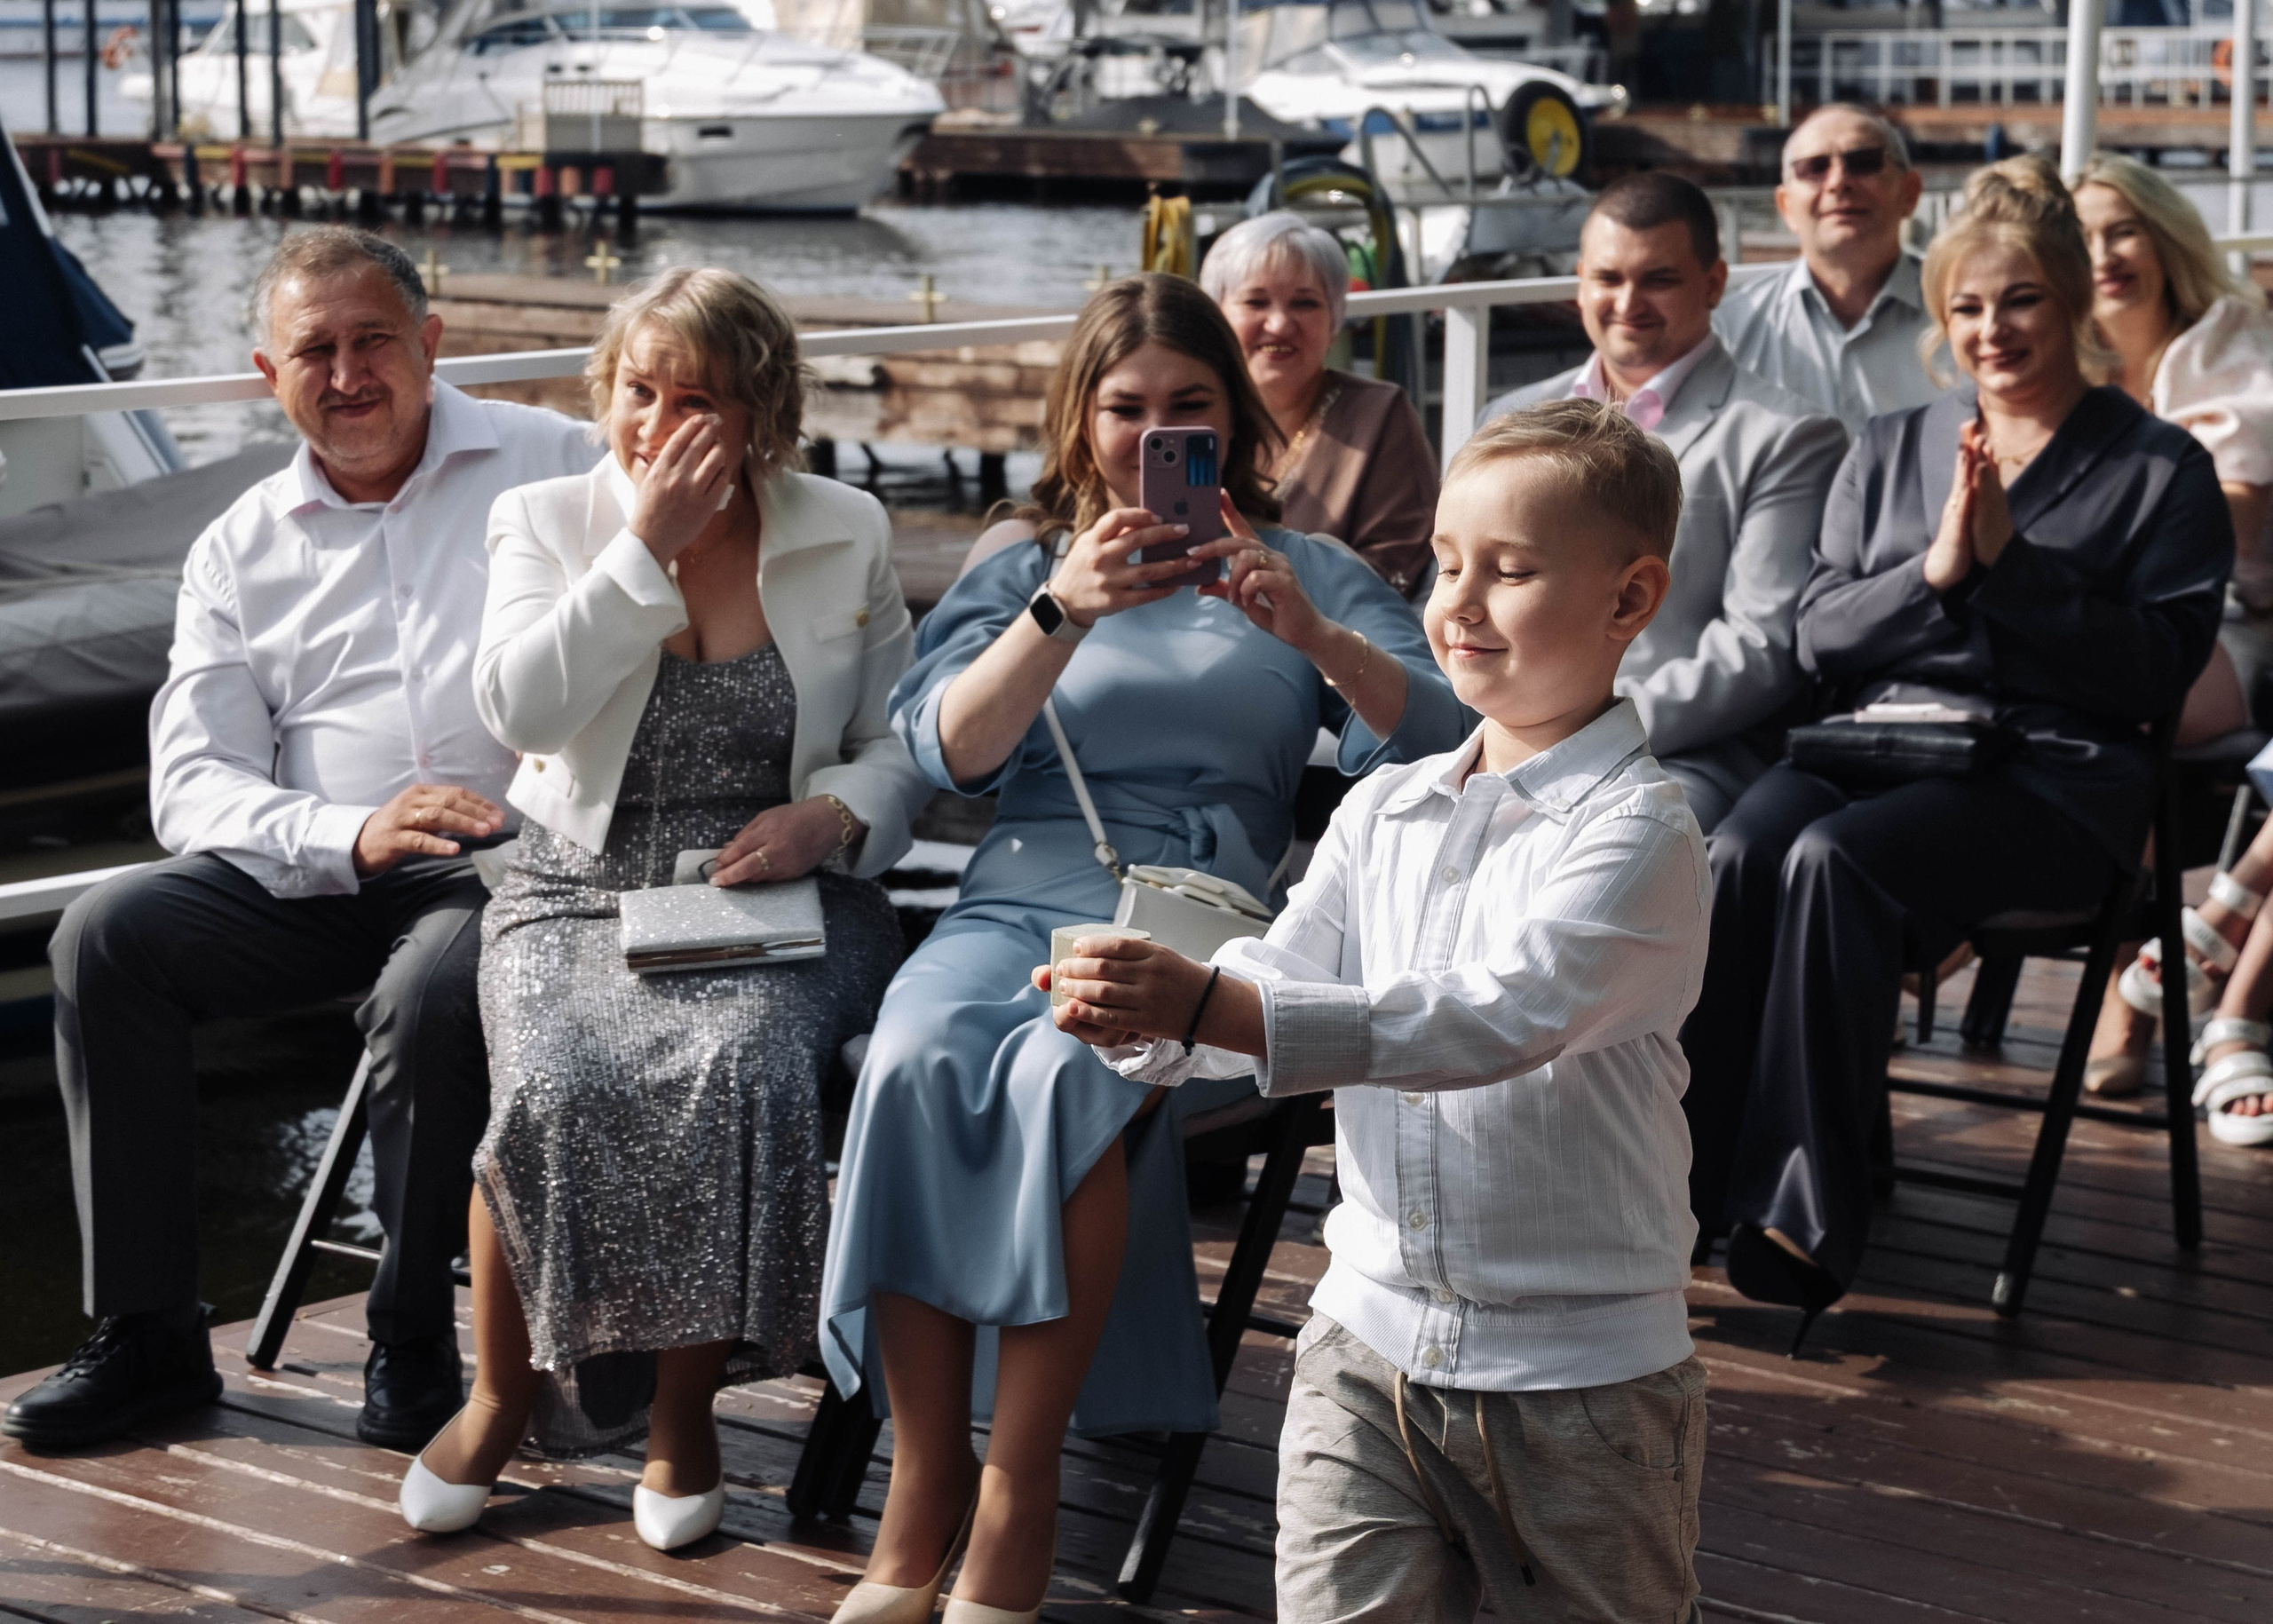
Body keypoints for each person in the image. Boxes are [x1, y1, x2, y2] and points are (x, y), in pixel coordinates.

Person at [818, 273, 1468, 1624]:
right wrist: (1060, 611)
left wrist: (1312, 634)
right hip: (1014, 894)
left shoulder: (1315, 570)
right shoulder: (1023, 564)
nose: (1154, 433)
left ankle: (1022, 1490)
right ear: (1082, 417)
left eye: (1189, 406)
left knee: (1072, 1071)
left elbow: (1443, 742)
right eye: (1126, 408)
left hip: (1198, 916)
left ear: (1232, 420)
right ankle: (923, 1483)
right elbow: (949, 755)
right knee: (911, 1054)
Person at [1049, 399, 1712, 1623]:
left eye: (1508, 572)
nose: (1457, 603)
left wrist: (1219, 1006)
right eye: (1443, 565)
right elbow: (1281, 975)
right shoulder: (1385, 807)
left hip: (1583, 1381)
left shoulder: (1643, 831)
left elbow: (1486, 1022)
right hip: (1364, 1346)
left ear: (1629, 600)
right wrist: (1153, 1018)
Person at [2, 228, 598, 1454]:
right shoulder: (239, 542)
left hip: (502, 867)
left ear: (430, 345)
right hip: (323, 866)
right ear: (268, 370)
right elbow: (191, 780)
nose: (346, 374)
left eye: (372, 339)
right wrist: (348, 833)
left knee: (430, 993)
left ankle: (412, 1337)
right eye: (313, 350)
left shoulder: (558, 468)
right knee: (106, 935)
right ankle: (152, 1331)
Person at [394, 269, 931, 1550]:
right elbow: (520, 713)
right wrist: (643, 549)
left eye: (700, 399)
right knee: (554, 1078)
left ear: (763, 412)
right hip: (576, 880)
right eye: (641, 390)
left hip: (774, 883)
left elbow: (899, 742)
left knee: (741, 1064)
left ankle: (682, 1415)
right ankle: (500, 1393)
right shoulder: (546, 518)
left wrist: (835, 816)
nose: (661, 422)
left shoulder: (843, 526)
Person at [1682, 157, 2232, 1343]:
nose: (1995, 330)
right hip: (1879, 739)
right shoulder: (1891, 445)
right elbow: (1820, 631)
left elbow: (2155, 675)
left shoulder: (2159, 469)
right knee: (1740, 848)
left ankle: (1796, 1212)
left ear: (2076, 298)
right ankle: (1678, 1186)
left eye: (2023, 299)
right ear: (1942, 319)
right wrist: (1938, 574)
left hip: (2049, 778)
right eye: (1969, 308)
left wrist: (2012, 569)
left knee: (1836, 860)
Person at [1484, 171, 1849, 831]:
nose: (1629, 301)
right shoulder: (1507, 419)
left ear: (1713, 285)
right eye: (1608, 278)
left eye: (1659, 279)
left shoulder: (1788, 437)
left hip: (1681, 755)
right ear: (1580, 282)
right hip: (1500, 737)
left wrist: (1582, 729)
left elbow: (1758, 647)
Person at [2070, 154, 2273, 1096]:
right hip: (2112, 615)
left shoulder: (2232, 343)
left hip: (2232, 621)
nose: (2106, 254)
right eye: (2082, 237)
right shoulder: (2060, 359)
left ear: (2163, 237)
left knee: (2123, 691)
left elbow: (2224, 523)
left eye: (2124, 229)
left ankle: (2128, 988)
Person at [1200, 210, 1440, 598]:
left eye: (1305, 304)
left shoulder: (1378, 416)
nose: (1279, 324)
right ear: (1217, 317)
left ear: (1334, 322)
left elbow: (1393, 575)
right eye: (1256, 302)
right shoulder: (1189, 414)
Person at [1714, 102, 1944, 433]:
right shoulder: (1729, 332)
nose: (1838, 182)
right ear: (1785, 206)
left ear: (1910, 193)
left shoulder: (1968, 319)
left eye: (1863, 163)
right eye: (1814, 168)